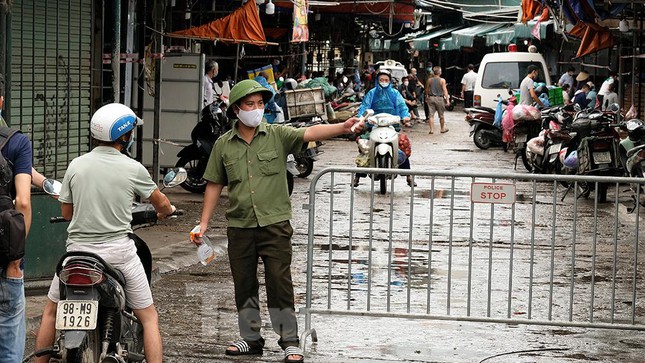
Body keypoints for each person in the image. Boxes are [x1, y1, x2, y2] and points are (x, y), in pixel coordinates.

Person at [193, 79, 363, 363]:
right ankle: (250, 339)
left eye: (260, 104)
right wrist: (204, 223)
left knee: (279, 282)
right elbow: (213, 184)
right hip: (240, 227)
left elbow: (309, 131)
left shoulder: (276, 135)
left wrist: (342, 128)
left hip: (275, 225)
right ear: (236, 109)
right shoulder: (223, 145)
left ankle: (289, 341)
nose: (256, 109)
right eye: (250, 104)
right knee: (244, 284)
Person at [34, 103, 175, 363]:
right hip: (118, 254)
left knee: (51, 313)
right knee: (149, 316)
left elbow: (67, 214)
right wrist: (166, 210)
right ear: (124, 136)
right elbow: (161, 203)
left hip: (77, 254)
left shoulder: (76, 165)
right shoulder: (133, 168)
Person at [0, 75, 33, 363]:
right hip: (4, 259)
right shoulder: (16, 142)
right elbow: (22, 200)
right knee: (9, 342)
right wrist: (15, 261)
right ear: (1, 101)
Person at [354, 69, 415, 187]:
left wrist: (405, 116)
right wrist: (361, 118)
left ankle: (409, 176)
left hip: (392, 125)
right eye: (381, 80)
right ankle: (357, 177)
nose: (384, 82)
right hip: (374, 124)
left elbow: (401, 106)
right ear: (377, 81)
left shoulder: (395, 93)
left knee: (402, 145)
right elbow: (364, 107)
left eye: (386, 80)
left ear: (390, 81)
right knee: (364, 147)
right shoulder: (371, 93)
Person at [424, 66, 450, 134]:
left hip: (431, 98)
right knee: (441, 115)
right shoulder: (442, 80)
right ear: (440, 72)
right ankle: (442, 129)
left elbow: (426, 89)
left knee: (431, 115)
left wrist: (426, 96)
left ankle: (431, 130)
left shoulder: (429, 80)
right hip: (439, 98)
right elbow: (445, 90)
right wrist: (447, 100)